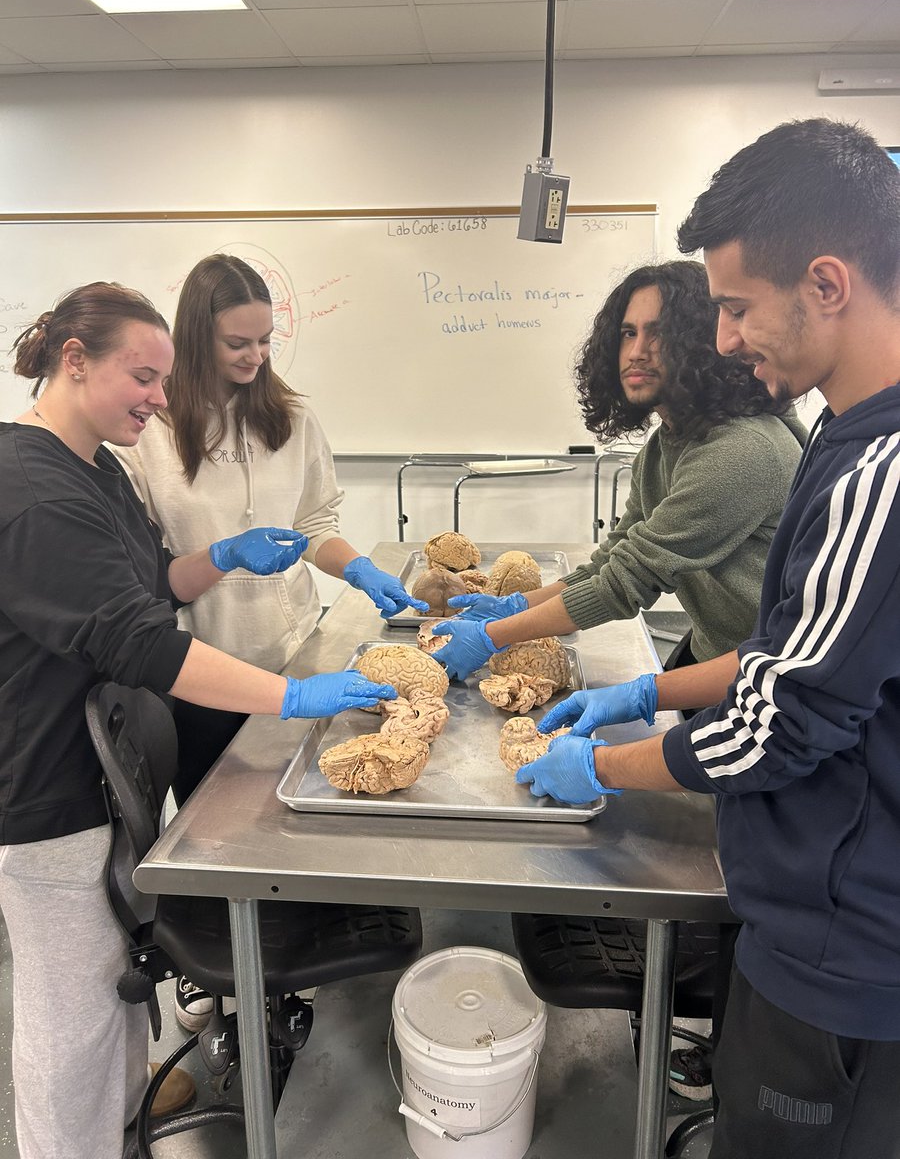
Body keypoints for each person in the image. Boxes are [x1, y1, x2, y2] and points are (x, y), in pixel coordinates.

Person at [518, 119, 900, 1159]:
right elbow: (788, 649)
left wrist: (601, 765)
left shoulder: (878, 472)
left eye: (734, 308)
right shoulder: (842, 434)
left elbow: (779, 724)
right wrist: (651, 693)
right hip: (813, 915)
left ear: (828, 282)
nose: (721, 339)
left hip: (844, 947)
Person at [0, 282, 397, 1159]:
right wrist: (297, 698)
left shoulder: (95, 464)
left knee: (112, 988)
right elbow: (139, 643)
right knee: (68, 1021)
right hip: (48, 789)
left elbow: (152, 589)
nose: (155, 396)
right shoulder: (30, 488)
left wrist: (217, 558)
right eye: (140, 376)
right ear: (75, 361)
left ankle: (126, 1113)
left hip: (106, 771)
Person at [110, 254, 428, 1027]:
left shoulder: (289, 417)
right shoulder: (148, 435)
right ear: (194, 338)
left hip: (290, 653)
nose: (254, 358)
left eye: (264, 340)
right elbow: (149, 574)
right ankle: (218, 982)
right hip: (198, 672)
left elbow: (316, 525)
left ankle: (287, 971)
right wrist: (219, 557)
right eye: (236, 344)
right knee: (219, 833)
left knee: (293, 827)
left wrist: (359, 572)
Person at [430, 260, 806, 681]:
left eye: (660, 333)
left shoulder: (741, 451)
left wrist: (492, 635)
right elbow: (615, 558)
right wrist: (520, 606)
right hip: (715, 651)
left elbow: (625, 583)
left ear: (706, 342)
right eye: (629, 333)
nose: (636, 352)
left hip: (772, 678)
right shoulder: (666, 445)